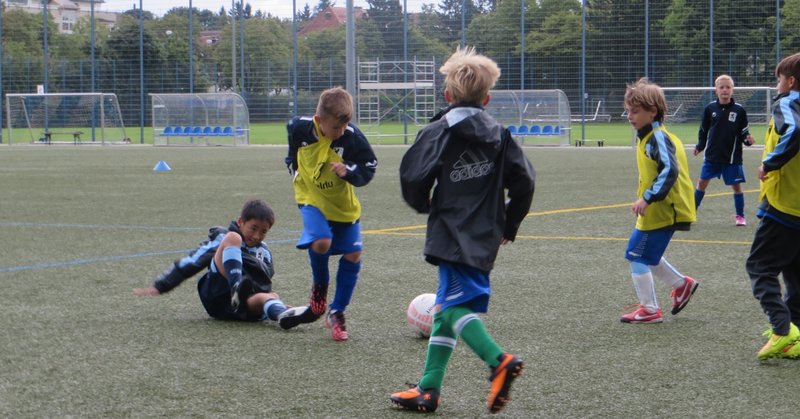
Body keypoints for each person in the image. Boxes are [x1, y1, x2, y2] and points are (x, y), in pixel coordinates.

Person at [389, 46, 535, 414]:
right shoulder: (501, 135)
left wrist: (425, 203)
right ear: (487, 98)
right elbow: (525, 182)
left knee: (453, 307)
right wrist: (509, 221)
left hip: (450, 232)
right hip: (485, 234)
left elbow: (412, 176)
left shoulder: (439, 130)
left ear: (447, 95)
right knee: (445, 308)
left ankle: (498, 360)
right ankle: (428, 390)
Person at [277, 86, 378, 342]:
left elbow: (370, 165)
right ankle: (319, 295)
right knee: (322, 241)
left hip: (342, 204)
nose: (340, 133)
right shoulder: (298, 128)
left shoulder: (352, 137)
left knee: (354, 252)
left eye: (344, 127)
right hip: (310, 198)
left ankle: (337, 312)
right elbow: (292, 153)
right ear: (318, 120)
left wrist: (349, 171)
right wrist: (293, 166)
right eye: (335, 128)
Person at [133, 199, 295, 327]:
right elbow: (194, 261)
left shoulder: (264, 252)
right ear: (241, 222)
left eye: (263, 232)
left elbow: (264, 281)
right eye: (253, 228)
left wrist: (272, 300)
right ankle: (235, 287)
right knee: (233, 238)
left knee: (270, 296)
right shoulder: (225, 237)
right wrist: (162, 285)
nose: (257, 235)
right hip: (217, 298)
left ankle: (282, 315)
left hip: (243, 307)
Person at [620, 78, 699, 325]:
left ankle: (650, 309)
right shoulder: (648, 137)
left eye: (635, 111)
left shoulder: (658, 137)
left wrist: (647, 197)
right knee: (646, 254)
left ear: (652, 111)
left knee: (636, 254)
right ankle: (681, 284)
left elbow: (669, 170)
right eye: (628, 110)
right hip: (659, 210)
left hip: (666, 209)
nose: (630, 116)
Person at [745, 52, 800, 360]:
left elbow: (795, 131)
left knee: (759, 266)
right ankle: (796, 331)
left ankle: (782, 329)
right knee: (794, 272)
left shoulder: (788, 102)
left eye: (779, 78)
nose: (777, 84)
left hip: (784, 204)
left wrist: (771, 162)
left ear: (790, 81)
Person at [693, 74, 755, 226]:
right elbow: (703, 130)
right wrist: (700, 146)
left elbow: (743, 132)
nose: (725, 90)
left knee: (736, 186)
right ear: (716, 90)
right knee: (701, 182)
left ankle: (740, 216)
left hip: (732, 157)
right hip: (712, 156)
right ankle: (691, 212)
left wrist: (748, 140)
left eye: (728, 87)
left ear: (732, 90)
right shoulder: (710, 109)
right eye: (722, 87)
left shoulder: (739, 110)